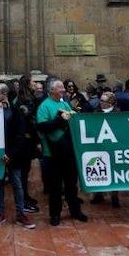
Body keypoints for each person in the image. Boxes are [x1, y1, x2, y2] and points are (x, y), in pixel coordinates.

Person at [36, 79, 87, 226]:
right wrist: (60, 119)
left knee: (71, 184)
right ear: (51, 90)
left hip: (68, 151)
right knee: (55, 186)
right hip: (53, 153)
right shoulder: (44, 106)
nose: (63, 90)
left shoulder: (64, 103)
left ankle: (75, 211)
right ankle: (55, 215)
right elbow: (43, 127)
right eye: (60, 88)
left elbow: (71, 119)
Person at [0, 83, 36, 229]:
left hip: (12, 155)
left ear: (5, 94)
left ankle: (21, 214)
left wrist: (10, 154)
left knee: (17, 184)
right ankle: (0, 213)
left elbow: (19, 135)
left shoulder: (15, 112)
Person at [14, 73, 40, 213]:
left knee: (24, 171)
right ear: (28, 84)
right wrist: (37, 141)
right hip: (26, 140)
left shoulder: (23, 98)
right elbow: (31, 122)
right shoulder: (28, 100)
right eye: (34, 82)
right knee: (24, 171)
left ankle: (25, 196)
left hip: (24, 138)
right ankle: (23, 201)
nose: (36, 84)